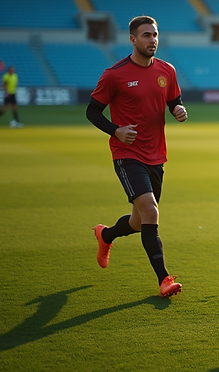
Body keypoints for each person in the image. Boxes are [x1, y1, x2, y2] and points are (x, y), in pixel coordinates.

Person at [88, 16, 188, 297]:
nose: (152, 40)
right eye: (146, 35)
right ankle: (164, 279)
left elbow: (173, 100)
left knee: (139, 221)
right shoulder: (114, 74)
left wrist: (178, 110)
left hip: (157, 155)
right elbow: (92, 111)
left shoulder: (167, 70)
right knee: (152, 212)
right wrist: (115, 130)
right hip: (127, 154)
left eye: (155, 35)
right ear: (132, 39)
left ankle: (105, 235)